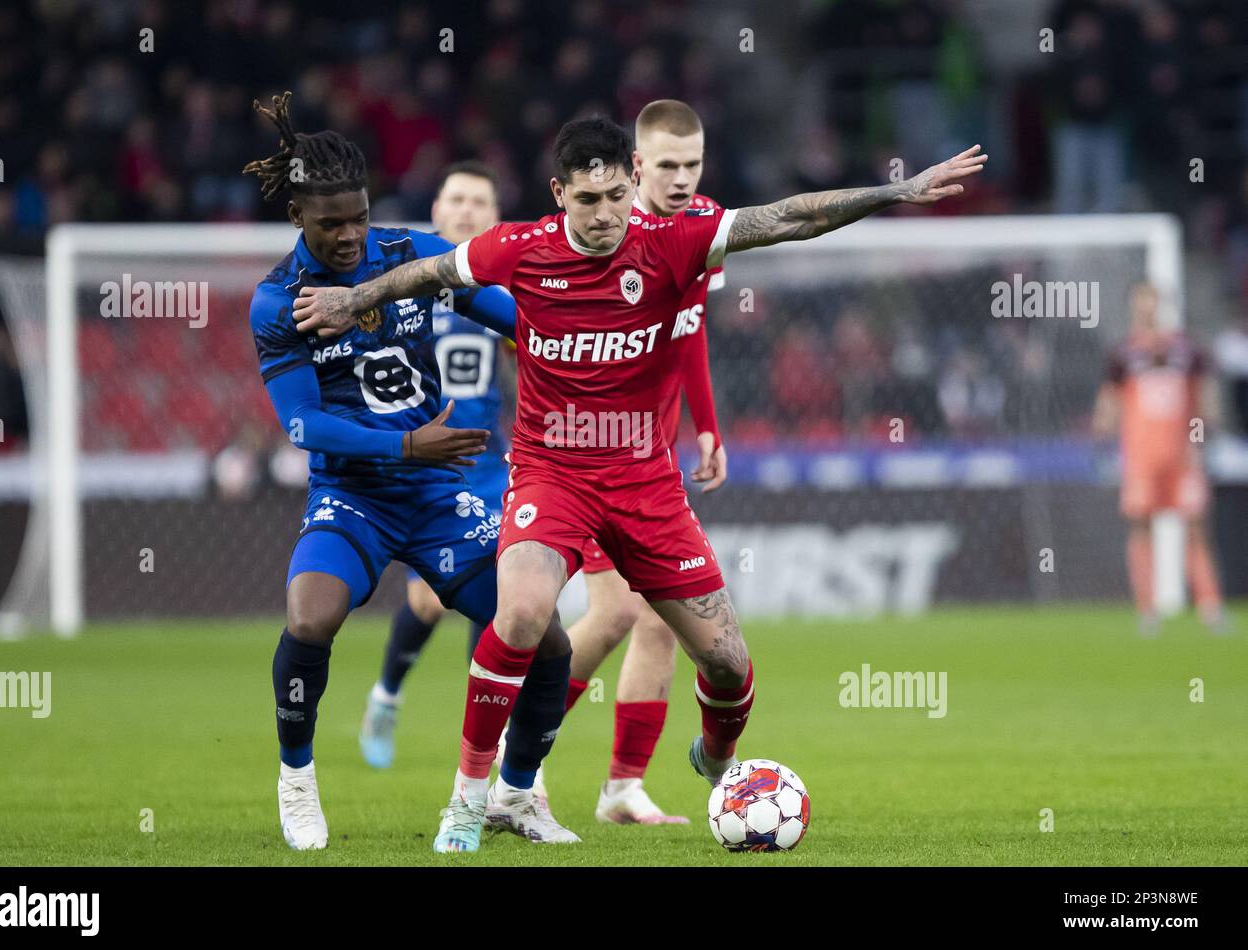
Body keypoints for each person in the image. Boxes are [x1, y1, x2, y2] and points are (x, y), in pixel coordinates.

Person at [292, 116, 986, 854]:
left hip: (646, 483)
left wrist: (897, 190)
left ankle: (715, 760)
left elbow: (790, 217)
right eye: (585, 200)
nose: (602, 215)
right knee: (523, 613)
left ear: (632, 183)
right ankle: (471, 800)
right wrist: (350, 299)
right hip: (550, 473)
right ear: (559, 193)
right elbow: (430, 271)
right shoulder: (519, 249)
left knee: (726, 662)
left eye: (616, 195)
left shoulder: (674, 239)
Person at [243, 93, 575, 851]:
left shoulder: (408, 256)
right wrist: (402, 448)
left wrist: (575, 336)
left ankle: (517, 795)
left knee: (544, 638)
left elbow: (511, 316)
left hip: (438, 493)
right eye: (332, 224)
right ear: (298, 215)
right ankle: (297, 781)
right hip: (355, 492)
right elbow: (301, 425)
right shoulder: (277, 303)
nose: (351, 235)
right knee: (310, 617)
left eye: (358, 216)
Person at [559, 99, 728, 827]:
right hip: (592, 453)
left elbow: (690, 329)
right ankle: (512, 757)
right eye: (667, 166)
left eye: (692, 164)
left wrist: (707, 428)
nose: (683, 179)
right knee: (618, 612)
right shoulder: (607, 228)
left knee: (660, 620)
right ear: (637, 165)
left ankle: (622, 790)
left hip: (652, 456)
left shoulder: (702, 228)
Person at [359, 161, 516, 770]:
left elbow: (534, 353)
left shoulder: (502, 292)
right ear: (437, 211)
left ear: (496, 217)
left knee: (499, 595)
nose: (468, 209)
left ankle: (487, 730)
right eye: (457, 198)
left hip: (489, 464)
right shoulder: (405, 282)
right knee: (428, 603)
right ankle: (387, 695)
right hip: (427, 466)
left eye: (481, 200)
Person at [1092, 282, 1227, 636]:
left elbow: (1204, 401)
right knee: (1140, 527)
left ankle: (1210, 606)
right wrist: (1101, 436)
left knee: (1196, 527)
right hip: (1140, 459)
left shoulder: (1187, 350)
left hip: (1182, 458)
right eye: (1141, 303)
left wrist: (1201, 440)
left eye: (1152, 302)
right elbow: (1109, 403)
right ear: (1133, 308)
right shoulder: (1122, 354)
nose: (1147, 310)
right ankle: (1147, 610)